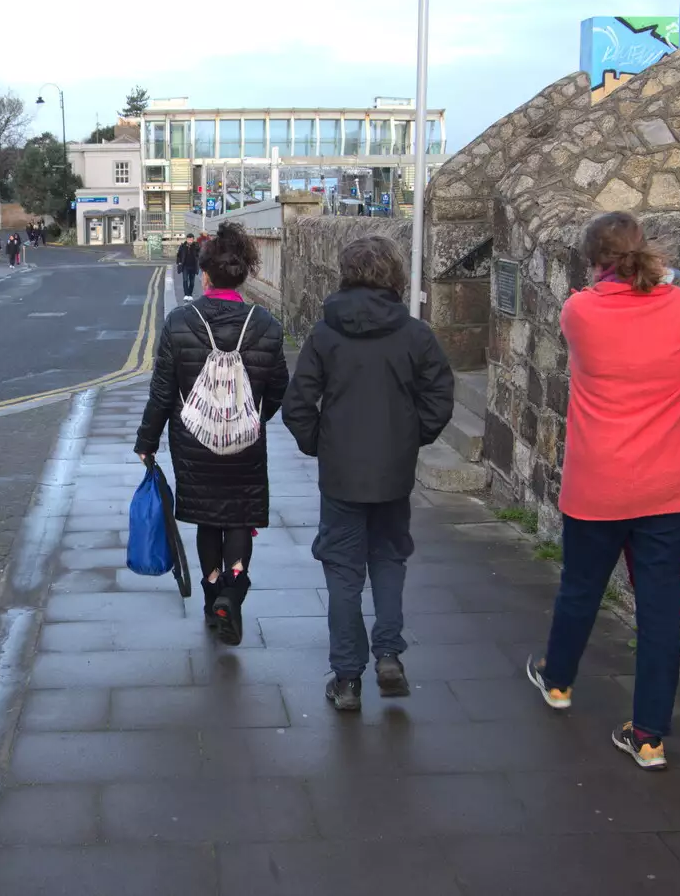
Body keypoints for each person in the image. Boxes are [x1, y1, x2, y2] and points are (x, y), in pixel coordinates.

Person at [527, 211, 680, 771]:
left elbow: (598, 300)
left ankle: (558, 682)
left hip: (599, 484)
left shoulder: (579, 310)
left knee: (581, 586)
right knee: (660, 608)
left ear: (593, 260)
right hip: (674, 485)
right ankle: (649, 736)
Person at [282, 236, 454, 712]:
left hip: (340, 474)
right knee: (389, 559)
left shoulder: (324, 334)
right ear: (395, 276)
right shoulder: (416, 334)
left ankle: (347, 678)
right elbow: (440, 398)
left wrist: (321, 444)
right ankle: (389, 655)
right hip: (393, 472)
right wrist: (409, 440)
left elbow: (297, 405)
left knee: (342, 569)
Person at [135, 222, 290, 646]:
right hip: (245, 444)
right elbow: (278, 389)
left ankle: (212, 595)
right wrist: (250, 419)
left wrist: (147, 443)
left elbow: (163, 392)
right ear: (244, 276)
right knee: (239, 517)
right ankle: (233, 596)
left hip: (193, 442)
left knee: (208, 520)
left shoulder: (180, 321)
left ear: (205, 275)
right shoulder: (268, 325)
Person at [173, 233, 199, 301]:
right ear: (186, 239)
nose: (190, 241)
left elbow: (199, 255)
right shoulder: (183, 246)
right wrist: (179, 262)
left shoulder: (196, 246)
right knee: (185, 280)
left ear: (193, 239)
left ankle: (190, 294)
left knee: (192, 282)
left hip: (193, 266)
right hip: (185, 266)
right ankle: (186, 294)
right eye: (188, 239)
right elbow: (178, 255)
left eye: (191, 239)